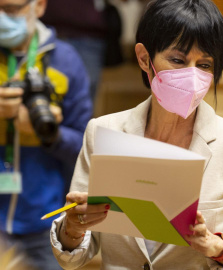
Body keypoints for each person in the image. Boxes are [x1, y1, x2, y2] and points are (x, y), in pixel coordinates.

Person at [50, 0, 223, 269]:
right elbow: (75, 255)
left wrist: (218, 248)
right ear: (144, 58)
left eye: (204, 65)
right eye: (178, 60)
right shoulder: (103, 132)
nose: (192, 76)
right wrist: (73, 228)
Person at [0, 0, 93, 269]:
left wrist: (50, 135)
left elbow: (83, 146)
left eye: (11, 9)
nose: (2, 17)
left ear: (39, 6)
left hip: (43, 219)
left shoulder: (66, 61)